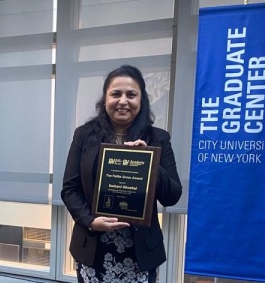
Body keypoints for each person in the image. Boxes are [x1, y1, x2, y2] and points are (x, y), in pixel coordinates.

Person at [61, 65, 182, 283]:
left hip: (139, 252)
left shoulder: (158, 139)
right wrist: (89, 220)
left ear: (141, 100)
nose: (123, 101)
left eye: (131, 94)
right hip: (93, 245)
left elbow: (172, 197)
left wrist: (149, 161)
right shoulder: (84, 135)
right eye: (116, 94)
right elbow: (70, 188)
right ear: (105, 99)